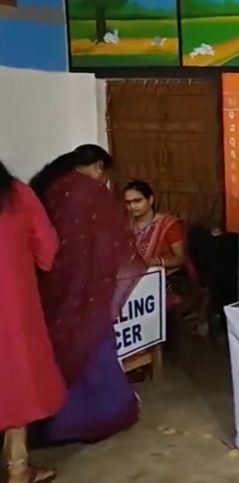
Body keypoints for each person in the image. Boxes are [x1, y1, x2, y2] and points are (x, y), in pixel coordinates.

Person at [29, 145, 147, 443]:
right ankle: (97, 418)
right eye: (103, 175)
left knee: (63, 349)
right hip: (87, 285)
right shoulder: (90, 193)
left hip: (54, 283)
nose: (103, 182)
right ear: (96, 166)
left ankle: (54, 421)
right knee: (93, 350)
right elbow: (111, 243)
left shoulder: (50, 187)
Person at [0, 160, 64, 483]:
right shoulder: (17, 196)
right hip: (11, 311)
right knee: (14, 386)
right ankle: (18, 469)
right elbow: (48, 252)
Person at [123, 180, 186, 291]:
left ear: (150, 200)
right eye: (128, 202)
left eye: (137, 201)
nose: (132, 206)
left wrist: (156, 262)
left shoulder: (168, 225)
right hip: (131, 279)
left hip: (164, 280)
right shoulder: (126, 225)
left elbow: (180, 258)